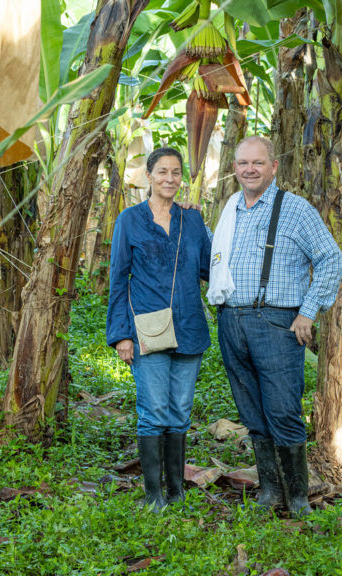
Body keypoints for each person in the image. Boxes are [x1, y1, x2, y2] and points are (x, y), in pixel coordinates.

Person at [210, 135, 342, 517]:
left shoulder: (295, 210)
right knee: (252, 411)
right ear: (234, 167)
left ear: (273, 167)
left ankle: (298, 498)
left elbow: (332, 259)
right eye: (242, 163)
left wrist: (307, 312)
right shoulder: (230, 208)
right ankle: (270, 492)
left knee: (283, 410)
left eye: (257, 163)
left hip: (276, 322)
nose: (249, 169)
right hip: (232, 321)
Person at [106, 147, 212, 511]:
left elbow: (209, 268)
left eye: (176, 173)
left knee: (180, 412)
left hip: (189, 329)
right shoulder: (129, 220)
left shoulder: (192, 220)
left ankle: (176, 491)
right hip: (148, 331)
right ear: (148, 175)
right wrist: (121, 334)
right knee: (153, 410)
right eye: (162, 172)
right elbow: (119, 278)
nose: (170, 179)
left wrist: (207, 227)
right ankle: (154, 497)